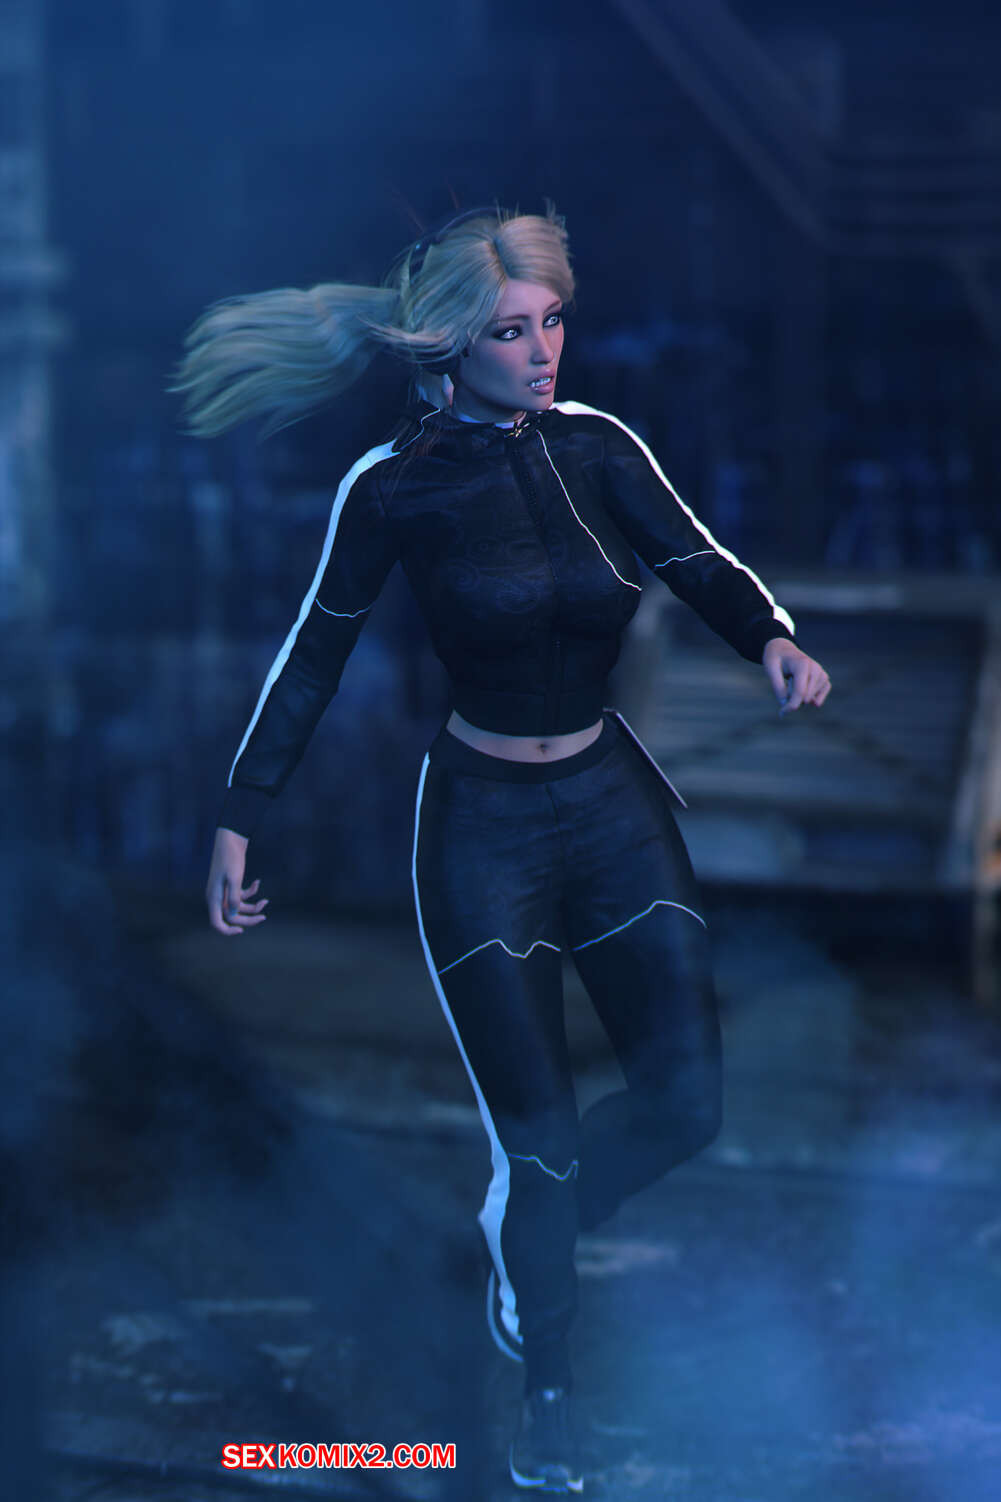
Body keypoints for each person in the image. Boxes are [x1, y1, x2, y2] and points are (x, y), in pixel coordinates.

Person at [170, 203, 831, 1495]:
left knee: (686, 1105)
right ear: (450, 346)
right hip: (481, 831)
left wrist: (770, 638)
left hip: (611, 804)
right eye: (512, 332)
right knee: (539, 1142)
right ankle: (548, 1406)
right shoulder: (392, 484)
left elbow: (693, 556)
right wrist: (240, 814)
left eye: (552, 323)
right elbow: (312, 656)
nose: (543, 352)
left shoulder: (599, 445)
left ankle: (531, 1222)